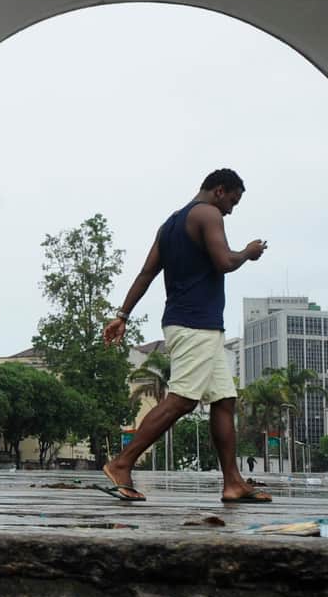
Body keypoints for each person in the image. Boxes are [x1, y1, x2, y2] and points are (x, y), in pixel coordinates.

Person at [101, 168, 272, 504]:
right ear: (220, 191)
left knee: (224, 400)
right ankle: (121, 464)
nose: (230, 211)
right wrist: (248, 254)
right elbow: (224, 261)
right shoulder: (208, 214)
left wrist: (122, 315)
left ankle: (233, 483)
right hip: (197, 324)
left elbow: (147, 273)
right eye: (232, 202)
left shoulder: (170, 225)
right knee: (182, 399)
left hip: (187, 323)